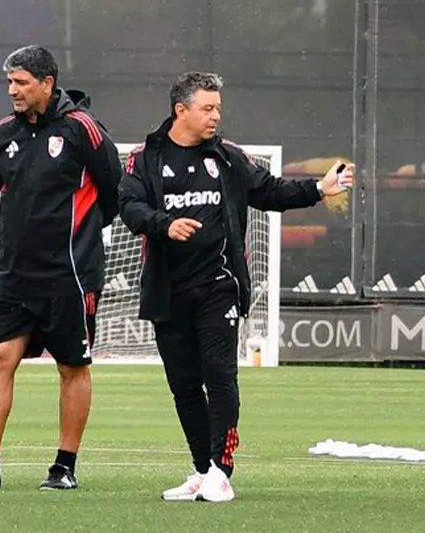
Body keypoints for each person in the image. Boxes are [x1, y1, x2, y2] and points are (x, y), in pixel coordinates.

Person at [117, 71, 347, 504]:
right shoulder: (144, 158)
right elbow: (129, 207)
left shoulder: (226, 157)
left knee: (219, 375)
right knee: (183, 384)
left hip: (218, 287)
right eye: (207, 108)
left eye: (218, 108)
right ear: (180, 110)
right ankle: (201, 468)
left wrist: (319, 188)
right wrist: (165, 224)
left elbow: (271, 191)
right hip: (167, 290)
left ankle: (221, 471)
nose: (215, 116)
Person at [0, 46, 120, 493]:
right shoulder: (2, 133)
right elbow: (10, 189)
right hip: (15, 274)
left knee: (71, 366)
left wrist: (78, 238)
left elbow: (114, 191)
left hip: (70, 274)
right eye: (9, 83)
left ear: (47, 82)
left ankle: (64, 465)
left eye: (21, 82)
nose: (13, 91)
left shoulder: (83, 130)